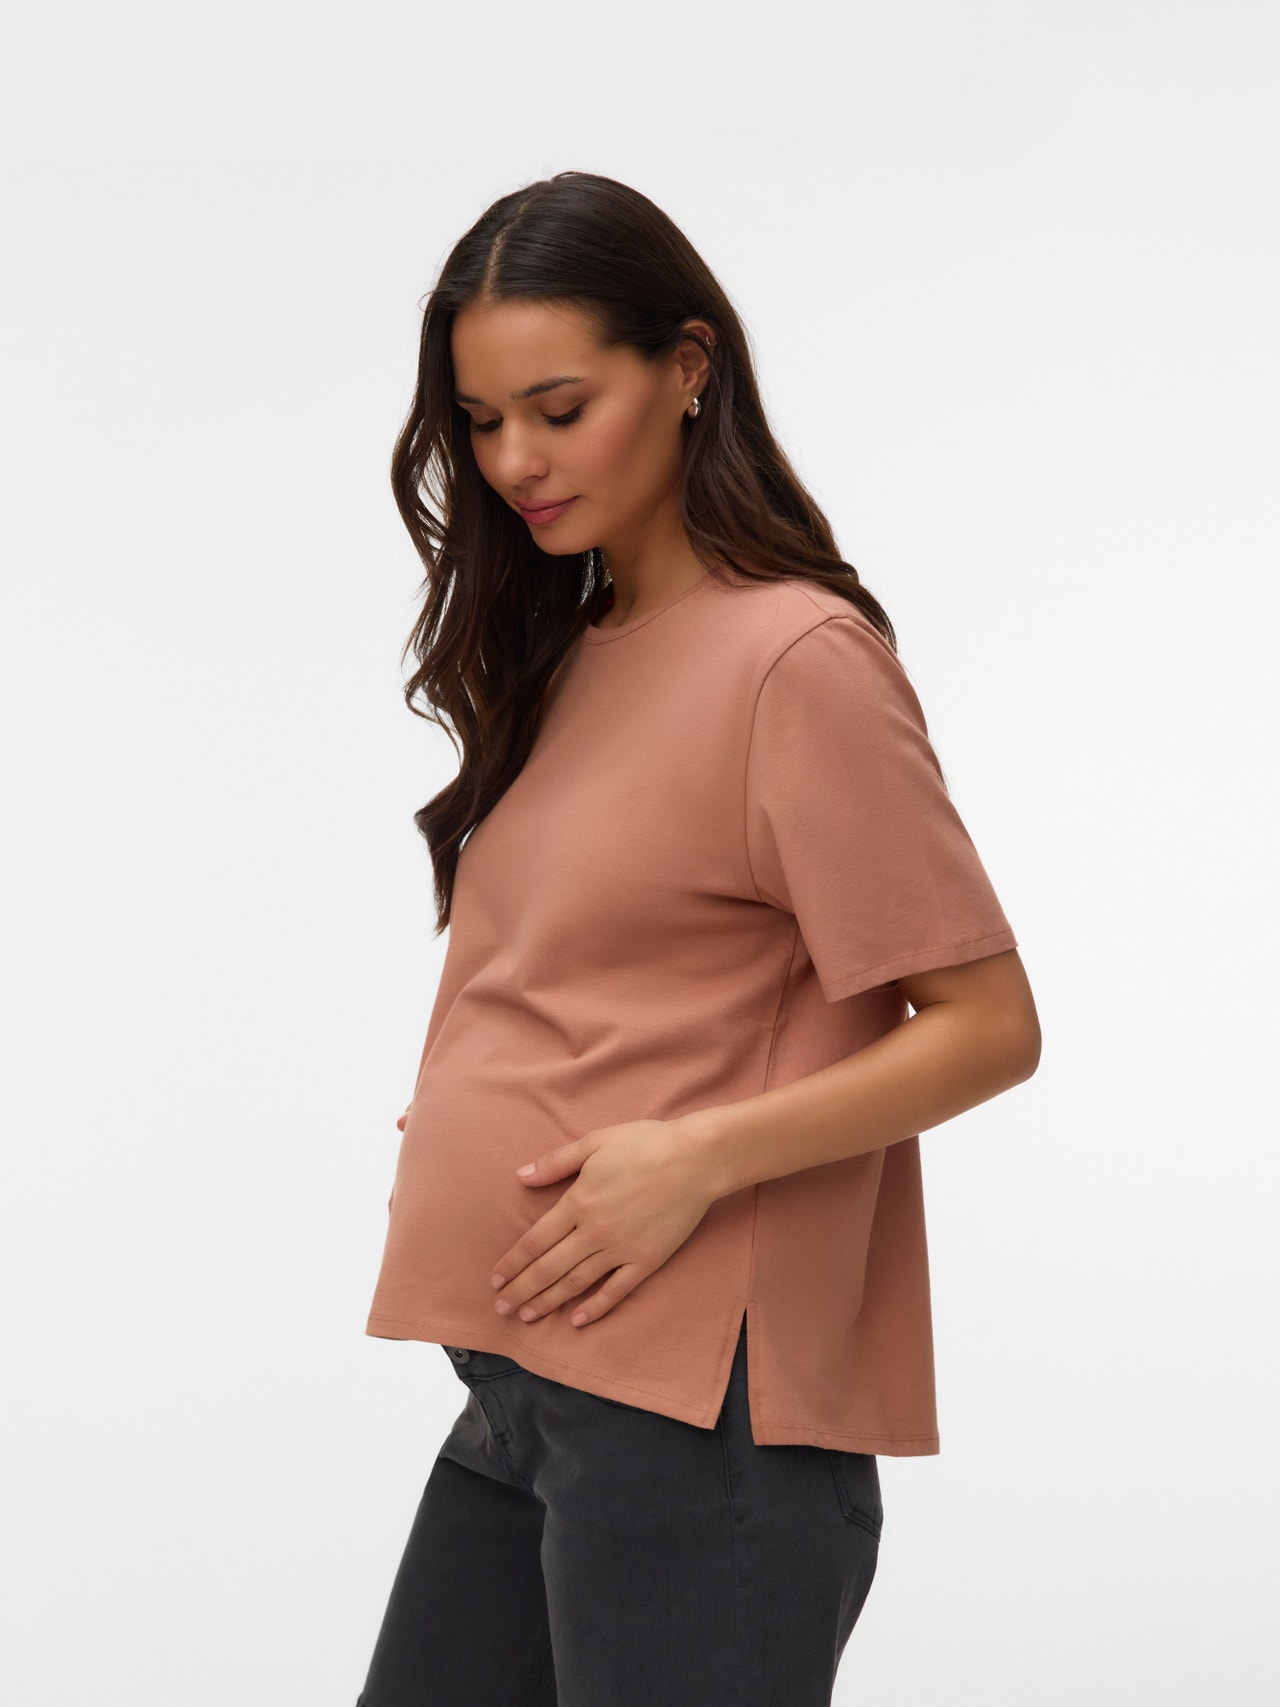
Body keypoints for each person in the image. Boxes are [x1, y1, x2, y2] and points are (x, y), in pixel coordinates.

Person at [355, 170, 1041, 1707]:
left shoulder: (796, 662)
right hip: (527, 1385)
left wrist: (693, 1157)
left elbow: (991, 1025)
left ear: (687, 368)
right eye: (481, 421)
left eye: (558, 408)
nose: (514, 462)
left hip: (692, 1410)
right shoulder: (575, 649)